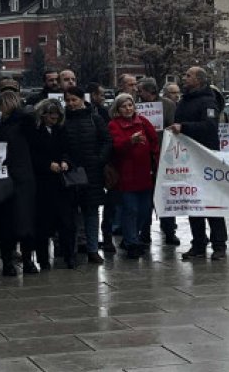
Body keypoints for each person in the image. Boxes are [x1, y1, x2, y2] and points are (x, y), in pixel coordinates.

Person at [175, 66, 228, 261]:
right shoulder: (184, 101)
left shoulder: (208, 101)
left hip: (206, 160)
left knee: (212, 204)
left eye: (188, 75)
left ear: (199, 80)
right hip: (189, 160)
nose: (185, 78)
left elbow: (210, 126)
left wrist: (184, 127)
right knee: (193, 203)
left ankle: (219, 244)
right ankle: (198, 242)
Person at [62, 86, 112, 265]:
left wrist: (99, 159)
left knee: (91, 212)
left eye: (74, 100)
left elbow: (107, 140)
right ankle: (71, 250)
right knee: (71, 213)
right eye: (68, 101)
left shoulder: (95, 118)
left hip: (92, 172)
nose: (71, 104)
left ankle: (92, 249)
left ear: (82, 100)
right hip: (71, 172)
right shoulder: (63, 120)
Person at [0, 90, 38, 275]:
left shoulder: (20, 123)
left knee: (21, 221)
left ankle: (23, 260)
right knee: (10, 222)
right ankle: (12, 261)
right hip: (10, 176)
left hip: (18, 177)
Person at [108, 93, 159, 259]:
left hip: (145, 174)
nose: (128, 109)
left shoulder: (143, 122)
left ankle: (132, 237)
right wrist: (130, 141)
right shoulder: (114, 125)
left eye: (130, 105)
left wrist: (156, 162)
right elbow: (116, 147)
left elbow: (154, 143)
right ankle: (132, 243)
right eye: (124, 106)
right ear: (118, 109)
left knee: (144, 211)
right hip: (126, 175)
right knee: (130, 210)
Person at [28, 99, 70, 269]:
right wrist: (47, 164)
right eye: (51, 115)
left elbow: (68, 150)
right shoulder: (35, 132)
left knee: (66, 223)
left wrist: (66, 161)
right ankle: (43, 259)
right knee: (43, 224)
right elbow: (31, 154)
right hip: (43, 182)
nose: (54, 118)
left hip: (61, 182)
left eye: (56, 116)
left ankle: (68, 256)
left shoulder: (61, 130)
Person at [137, 78, 178, 245]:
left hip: (163, 155)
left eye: (141, 91)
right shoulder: (136, 105)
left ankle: (169, 231)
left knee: (165, 196)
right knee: (144, 197)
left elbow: (173, 126)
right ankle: (144, 232)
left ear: (149, 92)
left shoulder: (168, 105)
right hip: (143, 156)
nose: (139, 94)